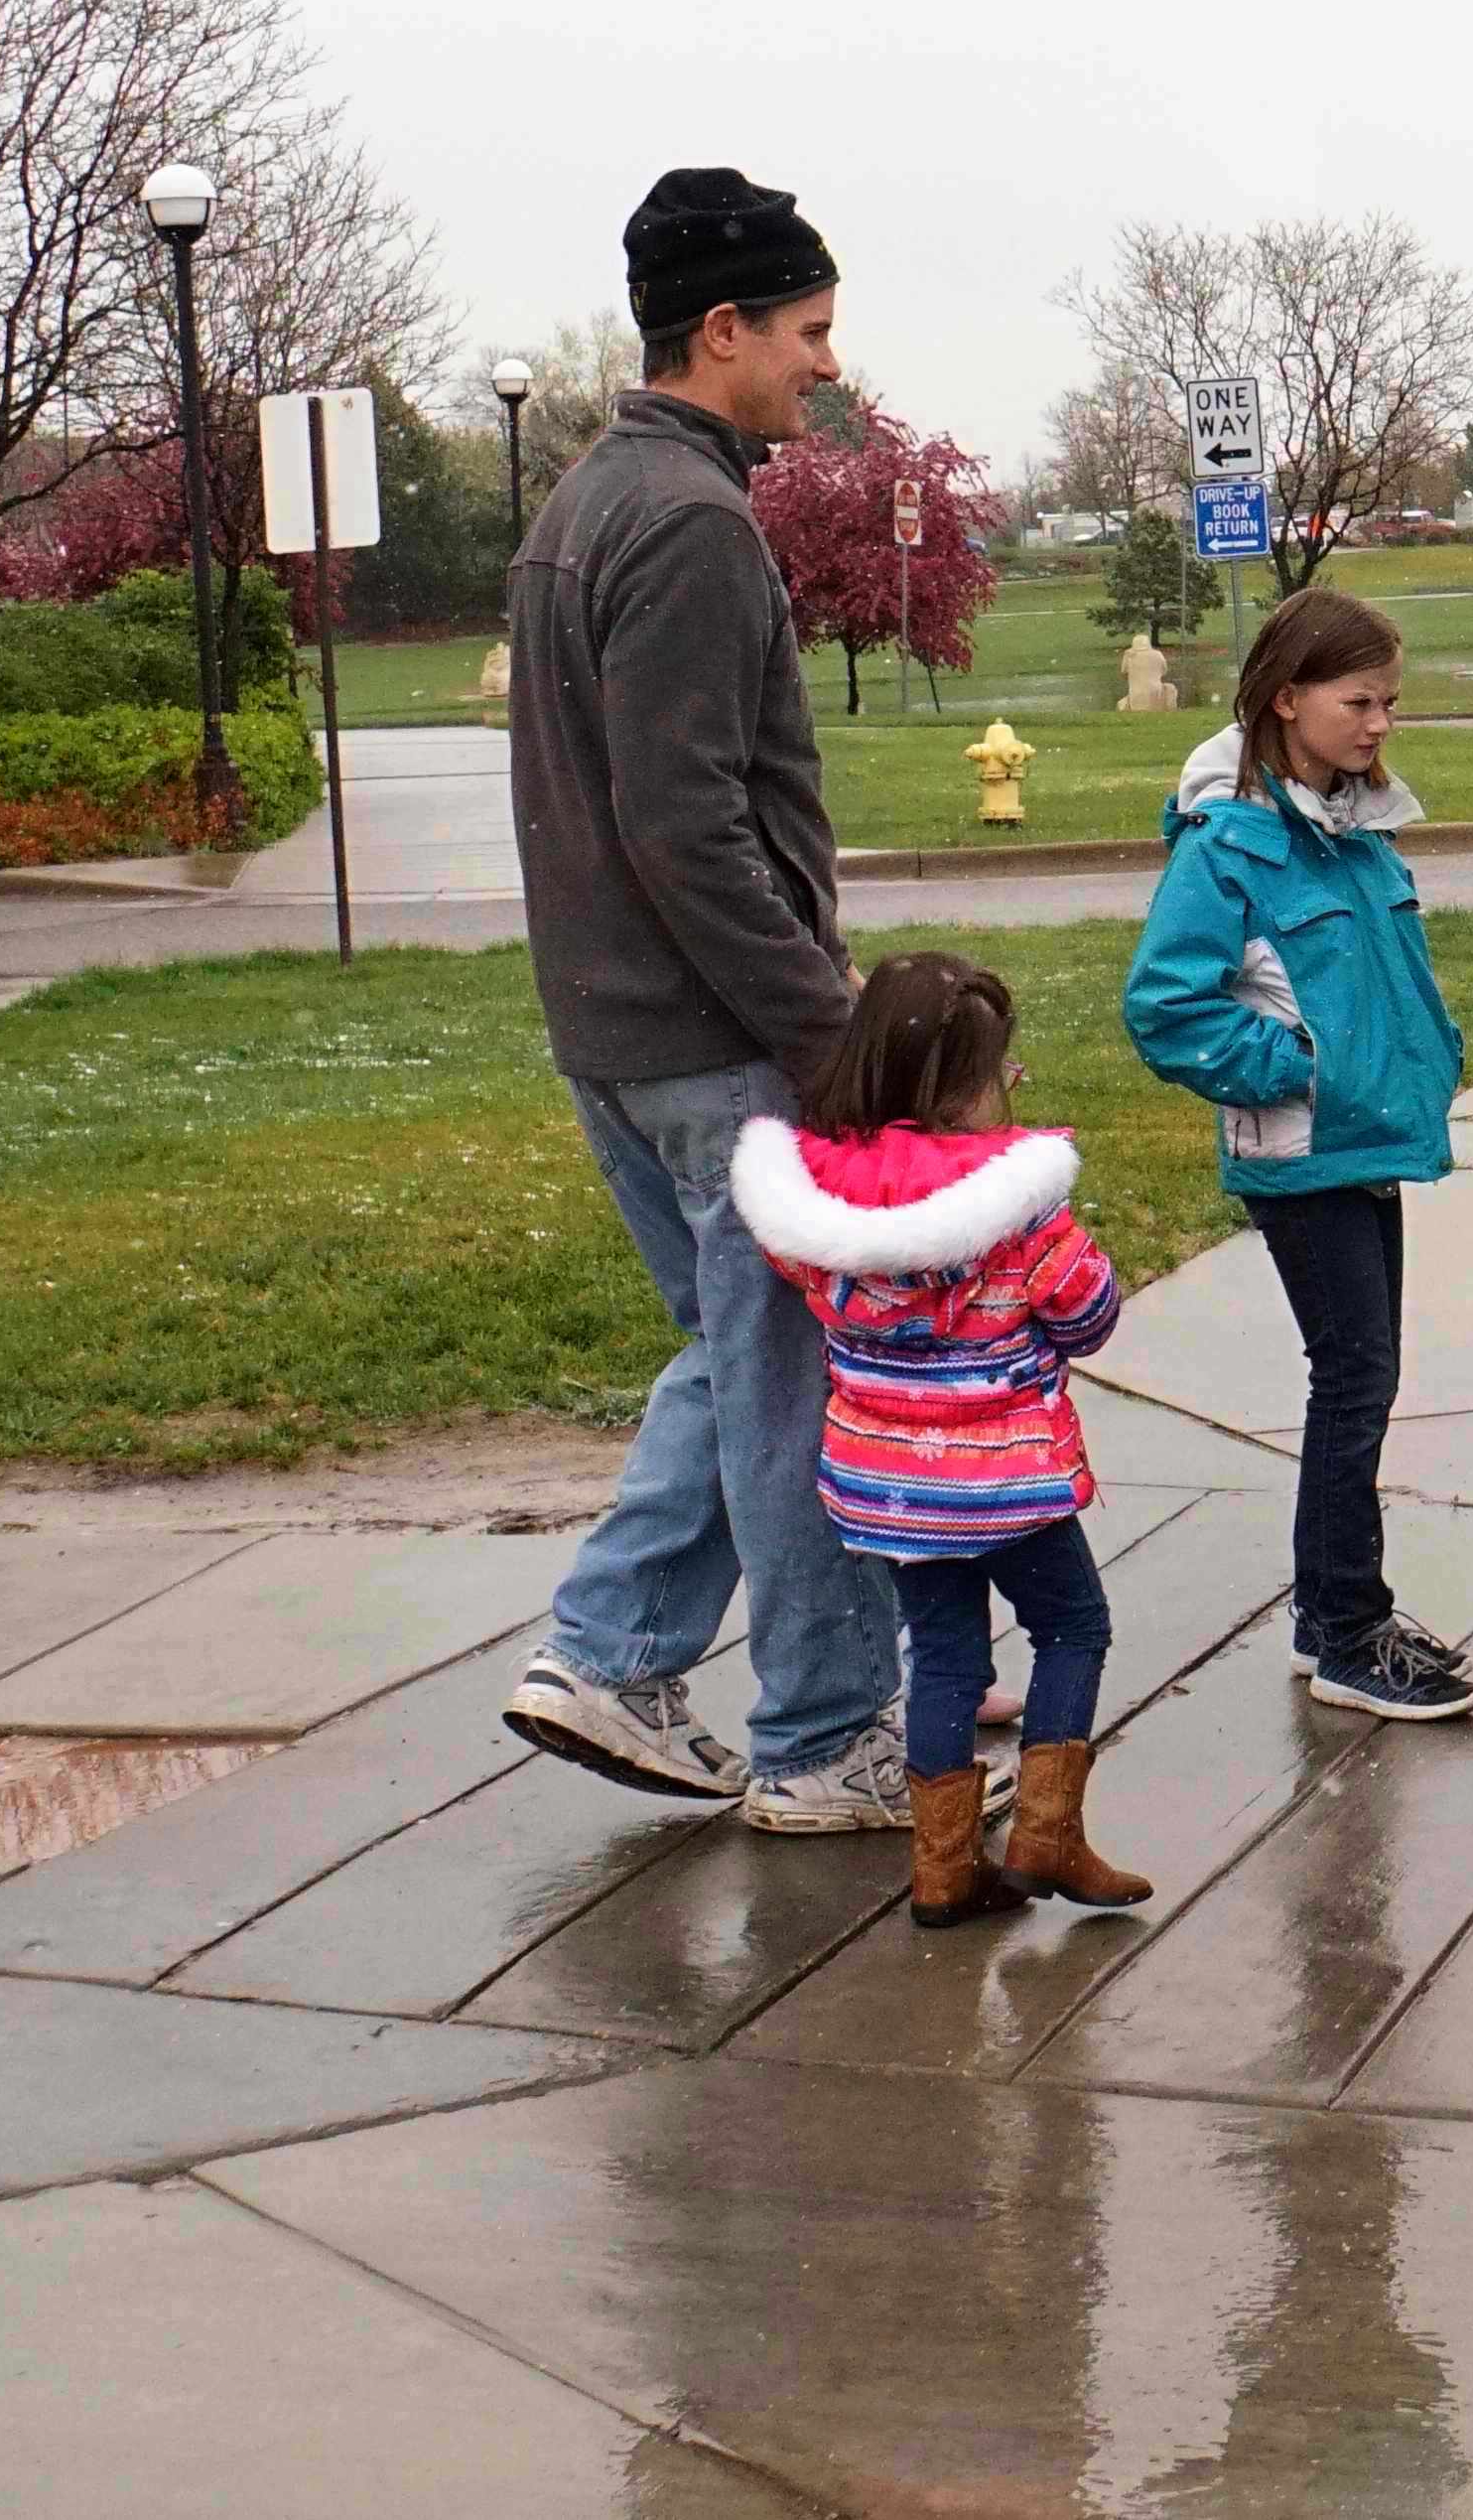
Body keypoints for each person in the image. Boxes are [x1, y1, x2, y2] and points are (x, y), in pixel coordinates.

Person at [497, 169, 924, 1832]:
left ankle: (607, 1653)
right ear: (723, 329)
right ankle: (823, 1736)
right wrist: (824, 1028)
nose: (825, 361)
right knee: (801, 1380)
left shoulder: (588, 505)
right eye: (807, 330)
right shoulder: (685, 522)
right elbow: (684, 820)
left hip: (620, 1035)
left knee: (736, 1358)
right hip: (716, 1042)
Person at [1122, 588, 1473, 1725]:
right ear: (1287, 697)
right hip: (1306, 1151)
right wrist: (1293, 1066)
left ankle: (1334, 1613)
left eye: (1390, 702)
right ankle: (1345, 1627)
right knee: (1354, 1375)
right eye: (1357, 699)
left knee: (1363, 1375)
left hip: (1367, 1142)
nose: (1379, 724)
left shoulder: (1353, 826)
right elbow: (1164, 1006)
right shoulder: (1232, 844)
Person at [734, 953, 1147, 1928]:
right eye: (1001, 1068)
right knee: (1072, 1627)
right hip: (1007, 1484)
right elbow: (1088, 1316)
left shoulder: (816, 1209)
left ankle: (942, 1866)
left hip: (886, 1488)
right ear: (965, 1084)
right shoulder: (1018, 1209)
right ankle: (1047, 1831)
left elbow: (818, 1295)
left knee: (949, 1656)